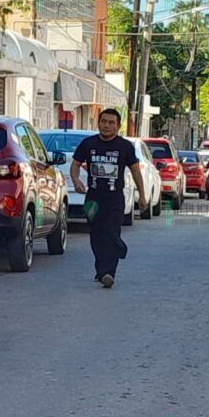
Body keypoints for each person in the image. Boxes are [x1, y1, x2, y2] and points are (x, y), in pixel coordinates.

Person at [70, 108, 147, 288]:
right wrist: (76, 181)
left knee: (111, 232)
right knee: (96, 235)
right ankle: (101, 269)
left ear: (118, 126)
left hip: (114, 199)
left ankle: (108, 272)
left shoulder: (125, 147)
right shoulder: (88, 144)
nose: (106, 125)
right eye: (103, 121)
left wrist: (142, 195)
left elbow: (136, 171)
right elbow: (75, 165)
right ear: (98, 123)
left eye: (111, 122)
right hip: (93, 199)